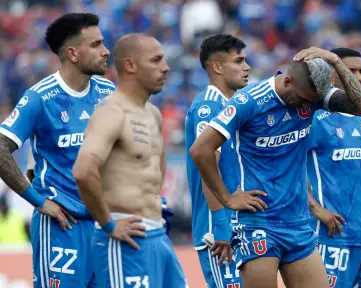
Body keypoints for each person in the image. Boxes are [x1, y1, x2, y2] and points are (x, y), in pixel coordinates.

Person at [190, 47, 361, 288]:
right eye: (305, 99)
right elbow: (200, 149)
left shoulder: (314, 96)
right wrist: (227, 198)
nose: (307, 107)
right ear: (287, 81)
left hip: (298, 223)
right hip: (259, 223)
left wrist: (336, 62)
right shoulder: (249, 101)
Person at [0, 13, 113, 288]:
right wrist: (38, 201)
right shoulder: (40, 98)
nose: (106, 51)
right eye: (96, 44)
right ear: (73, 53)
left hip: (105, 226)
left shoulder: (108, 91)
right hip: (63, 228)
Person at [72, 33, 187, 288]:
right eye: (156, 61)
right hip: (125, 240)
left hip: (158, 235)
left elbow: (156, 163)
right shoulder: (111, 112)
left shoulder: (153, 114)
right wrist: (108, 223)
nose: (166, 67)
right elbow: (83, 171)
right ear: (130, 65)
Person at [307, 48, 361, 288]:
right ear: (333, 75)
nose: (359, 77)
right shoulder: (316, 117)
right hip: (330, 237)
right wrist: (315, 208)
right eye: (351, 71)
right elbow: (288, 170)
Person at [185, 34, 250, 287]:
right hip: (219, 232)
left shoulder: (235, 105)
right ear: (217, 67)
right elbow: (206, 167)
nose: (246, 67)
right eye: (239, 61)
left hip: (241, 227)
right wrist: (221, 226)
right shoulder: (208, 107)